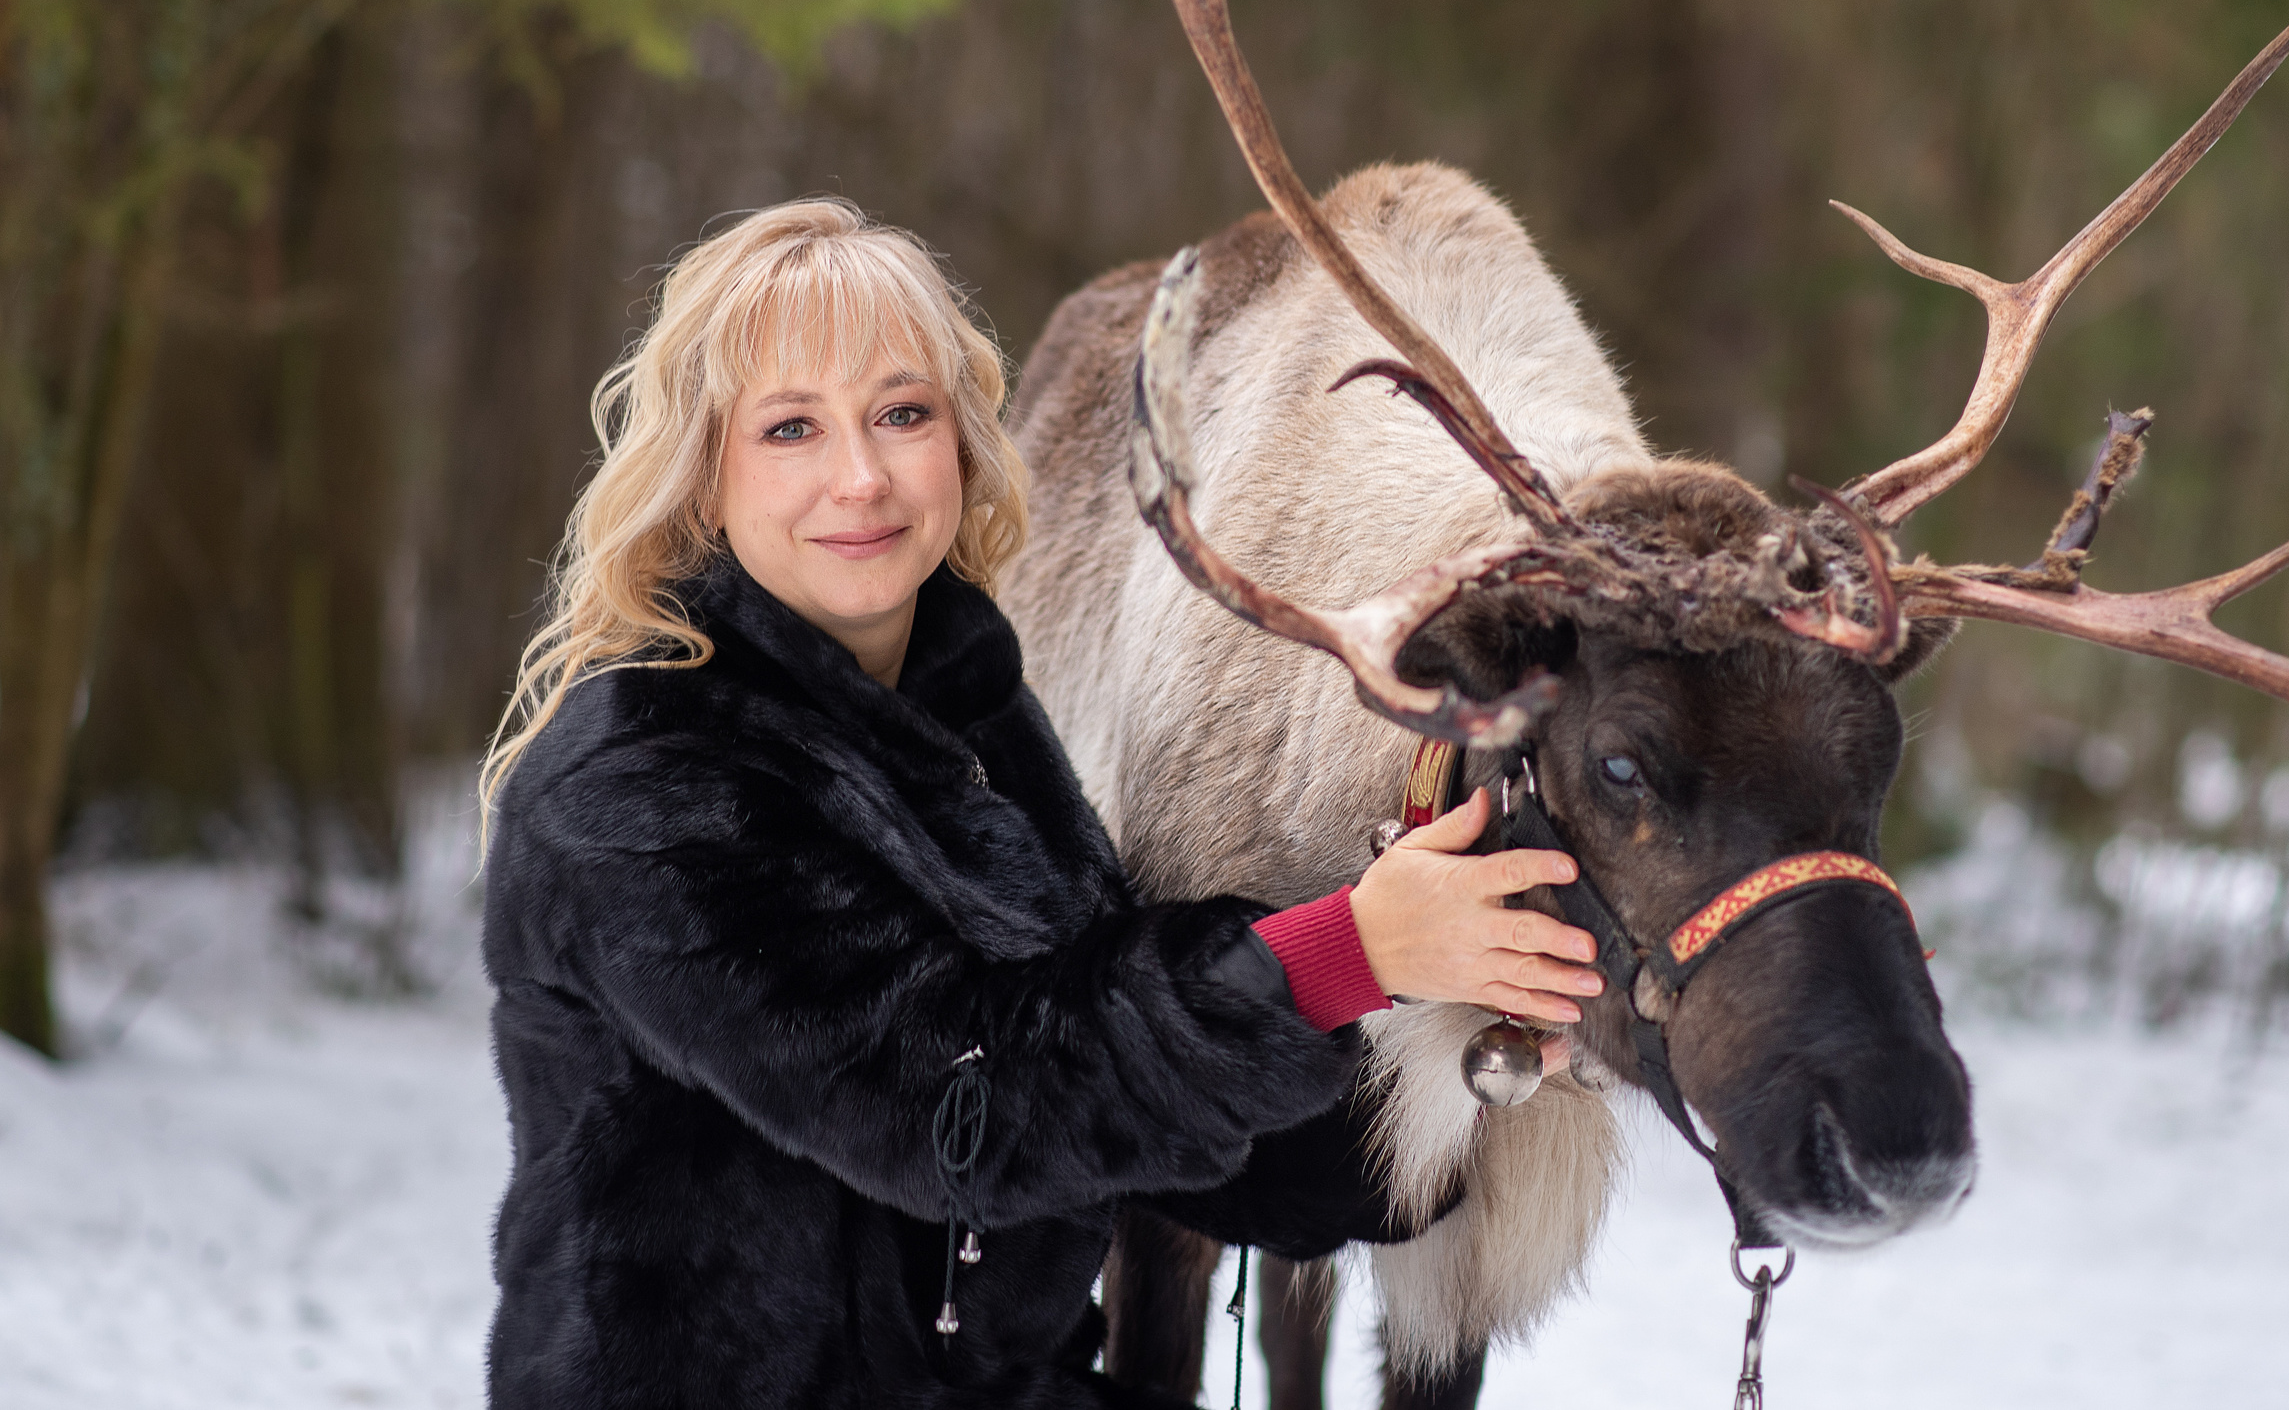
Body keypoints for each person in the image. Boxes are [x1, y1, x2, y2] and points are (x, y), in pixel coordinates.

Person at [477, 199, 1603, 1409]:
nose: (860, 476)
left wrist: (1441, 1073)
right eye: (791, 427)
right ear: (706, 477)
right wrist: (1342, 953)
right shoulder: (643, 778)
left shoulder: (969, 722)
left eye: (902, 413)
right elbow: (966, 1106)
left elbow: (1138, 1122)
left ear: (963, 444)